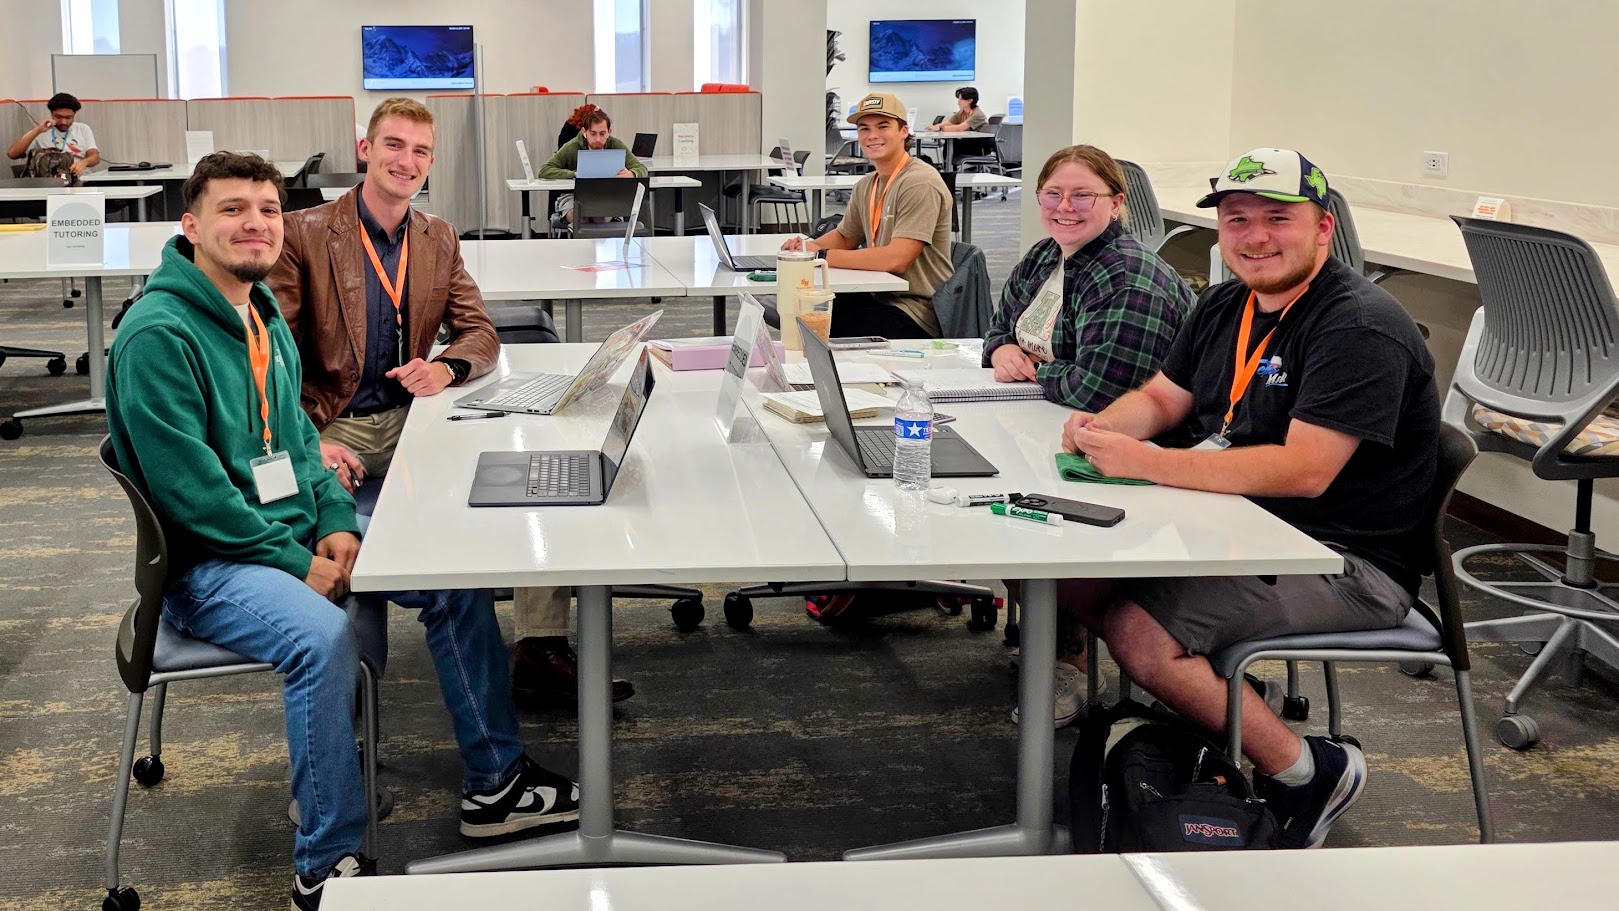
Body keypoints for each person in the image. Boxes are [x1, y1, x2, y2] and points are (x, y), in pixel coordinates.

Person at [105, 152, 581, 911]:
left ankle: (496, 781)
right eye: (233, 210)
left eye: (266, 209)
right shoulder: (159, 335)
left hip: (283, 533)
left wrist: (332, 522)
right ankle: (324, 861)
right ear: (190, 226)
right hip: (210, 565)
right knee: (320, 636)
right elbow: (189, 494)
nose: (255, 223)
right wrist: (298, 560)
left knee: (449, 576)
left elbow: (296, 436)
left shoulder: (256, 312)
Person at [1054, 148, 1439, 849]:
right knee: (1072, 575)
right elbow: (1162, 398)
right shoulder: (1226, 301)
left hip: (1342, 557)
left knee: (1139, 631)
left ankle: (1307, 770)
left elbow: (1304, 471)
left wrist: (1147, 464)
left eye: (1276, 218)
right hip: (1242, 522)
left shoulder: (1356, 324)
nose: (1254, 236)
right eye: (1237, 221)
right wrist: (1107, 426)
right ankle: (1213, 711)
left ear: (1322, 228)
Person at [268, 98, 634, 708]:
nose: (405, 161)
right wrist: (307, 441)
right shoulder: (303, 233)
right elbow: (270, 357)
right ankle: (335, 679)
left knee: (540, 469)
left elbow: (481, 334)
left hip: (418, 417)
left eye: (419, 151)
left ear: (430, 162)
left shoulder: (436, 236)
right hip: (334, 421)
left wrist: (445, 366)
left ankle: (539, 646)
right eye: (393, 145)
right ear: (367, 149)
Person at [984, 144, 1192, 410]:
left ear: (1115, 204)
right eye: (1052, 194)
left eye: (1082, 196)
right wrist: (1002, 351)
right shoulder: (1042, 254)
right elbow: (998, 328)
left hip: (1135, 439)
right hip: (1048, 412)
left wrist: (1035, 368)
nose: (1065, 206)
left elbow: (1100, 391)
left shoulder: (1125, 279)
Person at [781, 91, 953, 339]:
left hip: (916, 310)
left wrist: (820, 256)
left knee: (818, 326)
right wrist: (805, 248)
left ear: (904, 131)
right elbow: (844, 236)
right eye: (864, 129)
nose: (872, 136)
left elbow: (896, 259)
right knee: (805, 312)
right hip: (877, 295)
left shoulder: (919, 183)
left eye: (883, 126)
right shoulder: (867, 185)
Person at [538, 106, 647, 180]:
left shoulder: (615, 145)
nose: (598, 139)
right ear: (584, 132)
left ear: (609, 132)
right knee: (575, 213)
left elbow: (641, 168)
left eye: (602, 133)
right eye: (593, 133)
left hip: (607, 194)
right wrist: (573, 174)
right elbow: (544, 170)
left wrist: (631, 174)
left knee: (602, 211)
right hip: (574, 194)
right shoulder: (572, 146)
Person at [6, 92, 99, 176]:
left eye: (68, 118)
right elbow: (12, 154)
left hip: (80, 178)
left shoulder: (83, 129)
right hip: (50, 180)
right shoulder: (41, 130)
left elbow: (95, 157)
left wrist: (84, 162)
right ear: (51, 114)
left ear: (74, 115)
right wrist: (37, 130)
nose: (64, 122)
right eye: (58, 117)